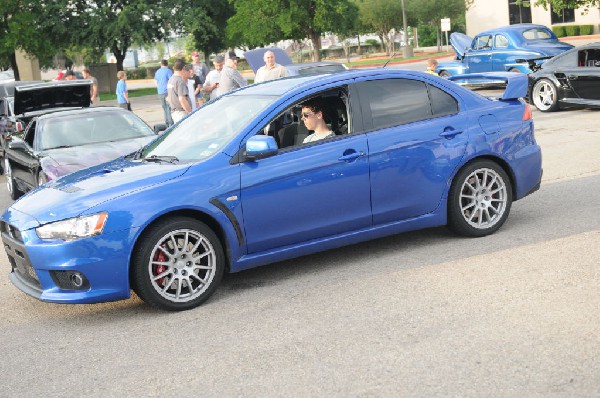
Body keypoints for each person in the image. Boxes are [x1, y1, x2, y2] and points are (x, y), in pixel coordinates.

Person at [166, 59, 192, 123]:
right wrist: (190, 112)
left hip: (174, 112)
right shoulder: (180, 81)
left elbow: (168, 98)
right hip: (181, 113)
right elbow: (182, 99)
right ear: (183, 68)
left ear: (173, 68)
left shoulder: (170, 80)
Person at [154, 59, 174, 125]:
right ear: (167, 64)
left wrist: (159, 87)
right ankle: (170, 123)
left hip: (160, 92)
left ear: (161, 64)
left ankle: (167, 123)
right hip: (167, 92)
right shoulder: (168, 71)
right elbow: (171, 81)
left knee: (164, 108)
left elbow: (155, 81)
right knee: (169, 107)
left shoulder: (157, 72)